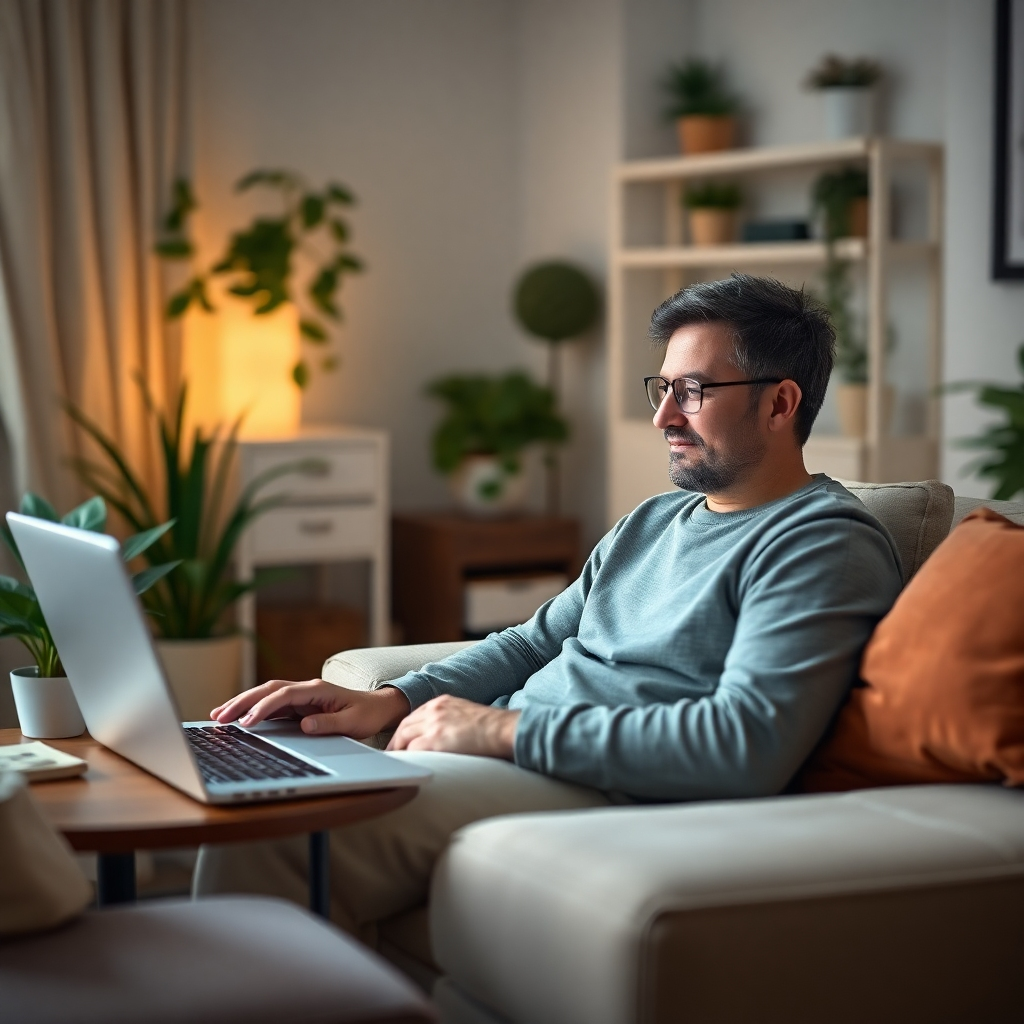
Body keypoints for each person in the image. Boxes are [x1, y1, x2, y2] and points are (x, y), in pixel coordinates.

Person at [193, 273, 903, 947]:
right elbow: (532, 643)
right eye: (663, 388)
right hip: (516, 756)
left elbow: (742, 745)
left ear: (780, 404)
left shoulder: (820, 544)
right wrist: (389, 699)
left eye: (692, 392)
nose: (662, 417)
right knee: (260, 761)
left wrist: (501, 730)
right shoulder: (656, 520)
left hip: (602, 789)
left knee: (277, 826)